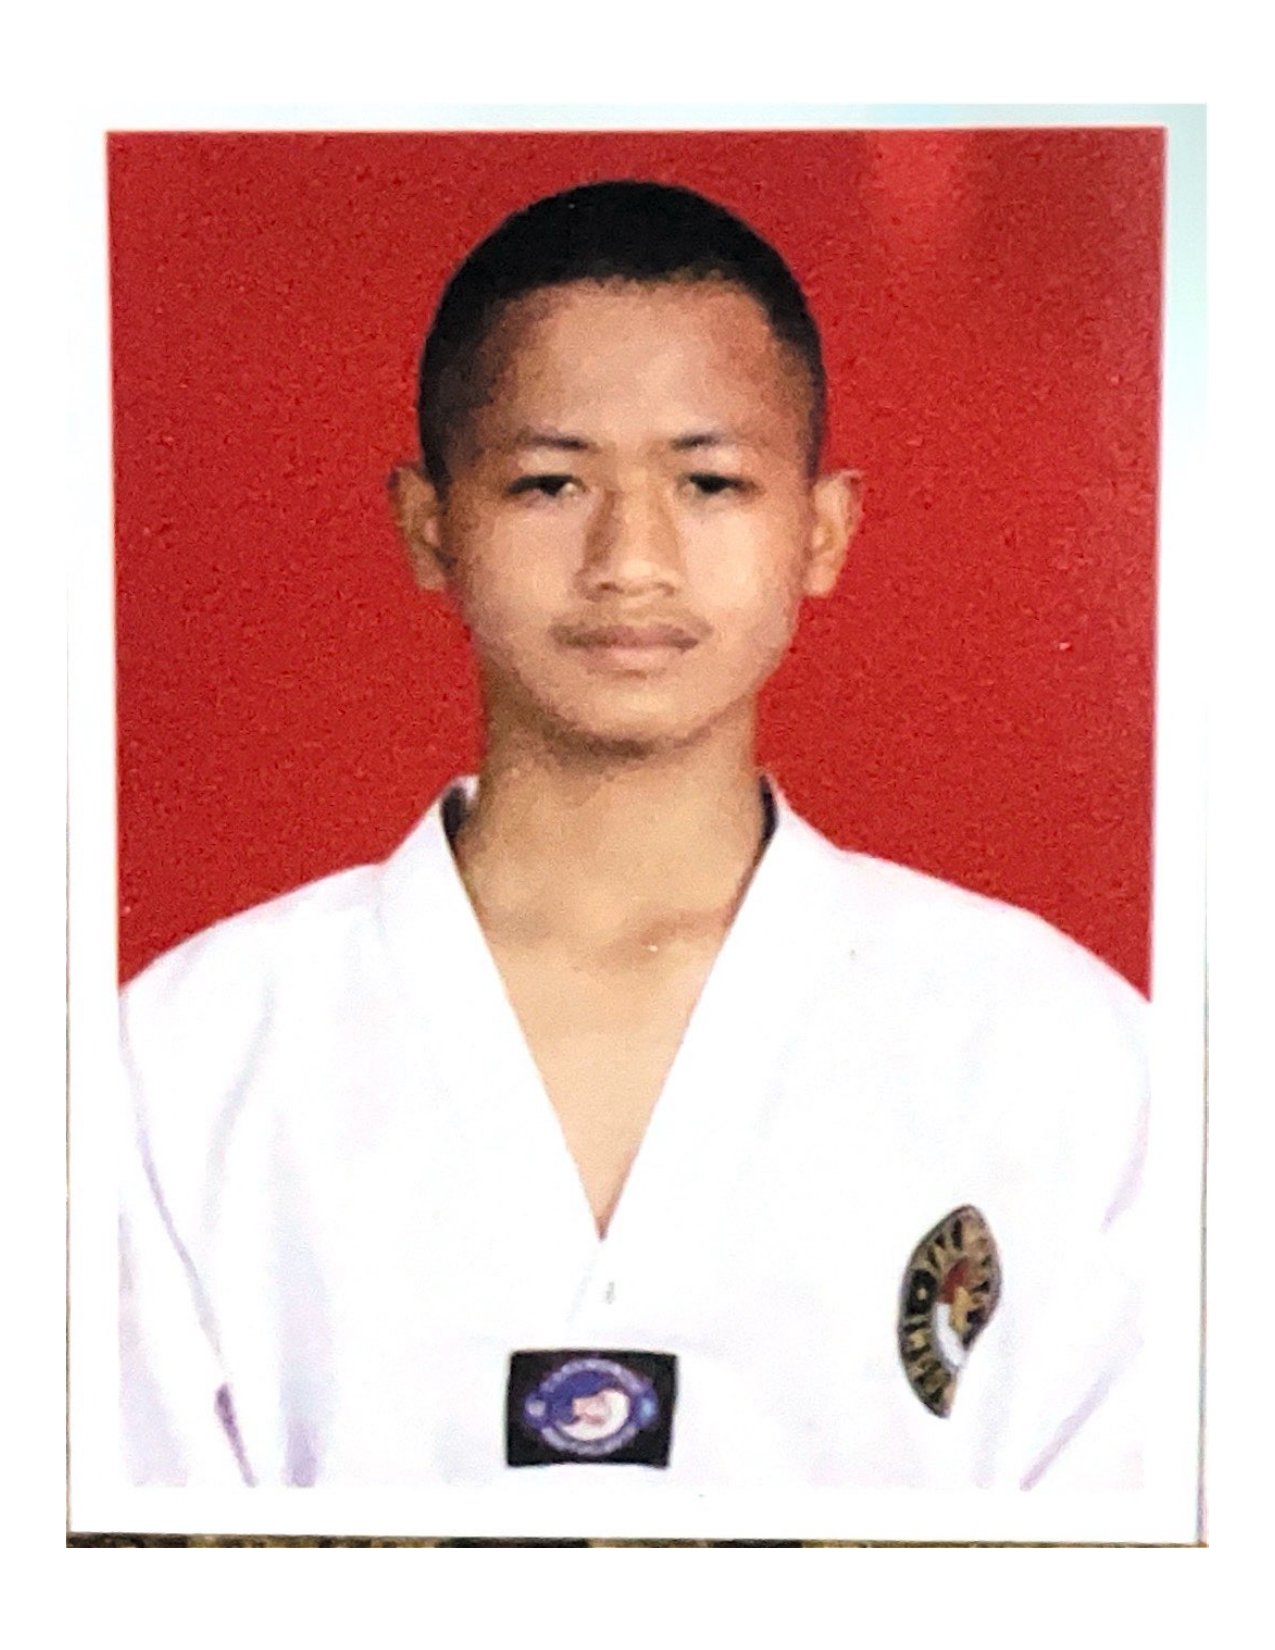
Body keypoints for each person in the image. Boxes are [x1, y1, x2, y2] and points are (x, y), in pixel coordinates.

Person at [118, 180, 1148, 1492]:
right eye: (550, 482)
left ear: (823, 529)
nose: (631, 559)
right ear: (430, 524)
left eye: (710, 481)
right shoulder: (188, 1057)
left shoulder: (1053, 1048)